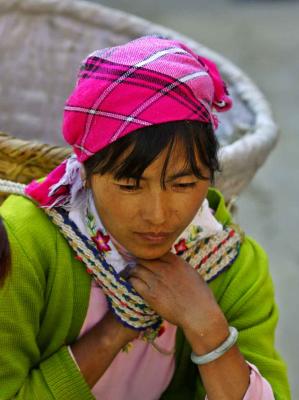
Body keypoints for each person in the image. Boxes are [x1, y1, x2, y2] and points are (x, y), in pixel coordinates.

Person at [0, 36, 290, 399]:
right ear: (87, 170)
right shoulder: (23, 242)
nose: (158, 215)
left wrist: (206, 326)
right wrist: (117, 328)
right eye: (129, 185)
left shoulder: (227, 262)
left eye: (184, 183)